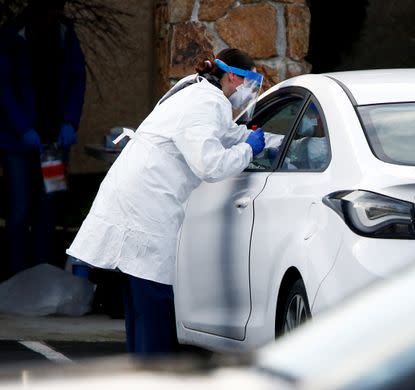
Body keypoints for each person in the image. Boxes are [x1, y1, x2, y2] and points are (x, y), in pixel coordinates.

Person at [66, 48, 266, 357]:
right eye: (248, 84)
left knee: (140, 301)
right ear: (232, 77)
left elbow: (218, 133)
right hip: (147, 202)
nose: (246, 93)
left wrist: (245, 137)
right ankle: (154, 383)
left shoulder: (196, 88)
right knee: (153, 301)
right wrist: (249, 151)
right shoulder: (207, 101)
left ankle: (141, 378)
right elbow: (210, 165)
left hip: (134, 194)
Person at [0, 0, 86, 279]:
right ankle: (16, 277)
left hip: (53, 143)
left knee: (48, 207)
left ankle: (43, 274)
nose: (53, 15)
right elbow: (3, 88)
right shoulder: (12, 36)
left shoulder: (64, 34)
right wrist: (22, 127)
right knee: (20, 208)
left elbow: (76, 79)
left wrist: (70, 122)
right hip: (18, 144)